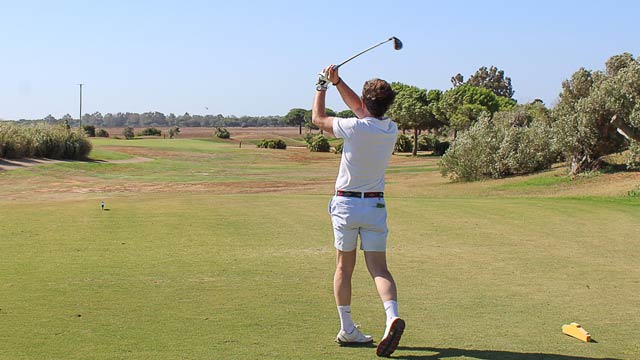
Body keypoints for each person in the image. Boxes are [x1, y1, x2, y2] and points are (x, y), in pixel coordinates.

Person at [312, 65, 405, 357]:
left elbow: (318, 119)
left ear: (365, 104)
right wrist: (338, 81)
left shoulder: (354, 127)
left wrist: (321, 86)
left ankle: (347, 329)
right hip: (375, 205)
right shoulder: (390, 128)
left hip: (347, 205)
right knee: (379, 268)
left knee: (344, 267)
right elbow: (360, 107)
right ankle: (392, 317)